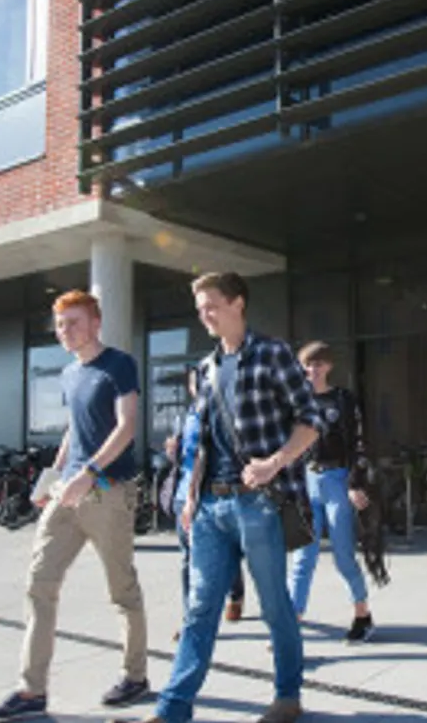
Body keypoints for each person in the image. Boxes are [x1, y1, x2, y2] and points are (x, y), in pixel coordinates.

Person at [140, 272, 323, 723]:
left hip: (257, 502)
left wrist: (274, 462)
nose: (204, 314)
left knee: (273, 603)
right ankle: (173, 709)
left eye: (212, 305)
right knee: (201, 607)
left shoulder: (272, 354)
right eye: (200, 307)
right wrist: (190, 494)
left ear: (238, 303)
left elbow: (312, 420)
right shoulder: (204, 368)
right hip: (209, 506)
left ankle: (287, 696)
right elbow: (204, 440)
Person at [0, 290, 149, 719]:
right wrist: (51, 480)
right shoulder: (69, 374)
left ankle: (135, 677)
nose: (65, 331)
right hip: (68, 491)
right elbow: (73, 432)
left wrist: (88, 473)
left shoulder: (119, 365)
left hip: (108, 491)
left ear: (95, 323)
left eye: (73, 322)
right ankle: (31, 690)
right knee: (40, 582)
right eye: (59, 324)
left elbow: (127, 426)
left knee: (122, 589)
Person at [289, 341, 375, 643]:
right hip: (306, 481)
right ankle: (292, 619)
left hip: (337, 478)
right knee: (302, 556)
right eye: (308, 364)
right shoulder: (297, 402)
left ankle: (362, 613)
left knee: (343, 554)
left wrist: (355, 482)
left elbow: (359, 444)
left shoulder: (342, 400)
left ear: (329, 366)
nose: (313, 369)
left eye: (319, 363)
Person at [165, 364, 246, 639]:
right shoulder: (184, 416)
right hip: (183, 496)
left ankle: (235, 593)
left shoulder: (220, 413)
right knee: (189, 560)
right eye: (193, 382)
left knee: (224, 556)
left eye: (202, 381)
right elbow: (185, 457)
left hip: (208, 496)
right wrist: (173, 451)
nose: (197, 386)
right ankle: (192, 620)